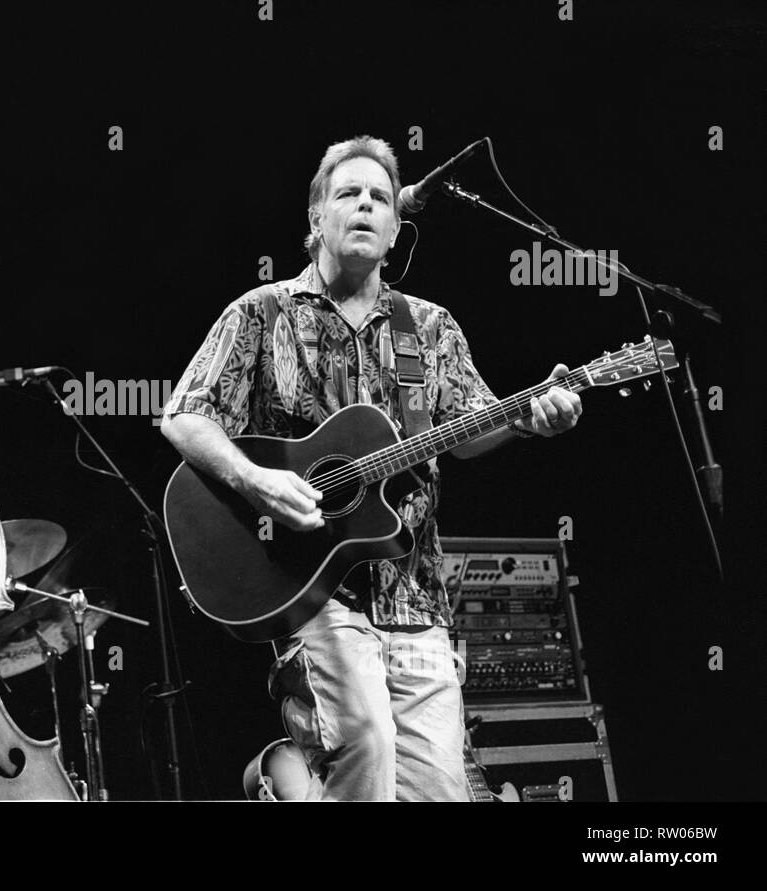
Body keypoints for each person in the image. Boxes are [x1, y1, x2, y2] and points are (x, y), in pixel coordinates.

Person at [160, 135, 582, 801]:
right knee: (366, 741)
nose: (365, 205)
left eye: (380, 198)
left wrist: (524, 418)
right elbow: (184, 415)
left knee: (441, 788)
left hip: (416, 595)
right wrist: (257, 480)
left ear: (394, 231)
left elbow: (468, 431)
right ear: (316, 218)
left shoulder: (430, 328)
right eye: (348, 193)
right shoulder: (260, 313)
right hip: (312, 589)